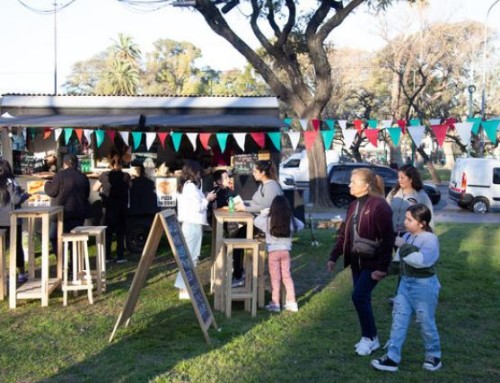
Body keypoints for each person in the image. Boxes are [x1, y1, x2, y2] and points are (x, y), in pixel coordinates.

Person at [327, 168, 395, 356]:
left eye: (353, 181)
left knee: (358, 297)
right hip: (356, 262)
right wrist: (334, 256)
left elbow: (388, 239)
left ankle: (369, 337)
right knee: (362, 298)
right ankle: (371, 338)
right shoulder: (353, 205)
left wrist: (382, 268)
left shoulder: (379, 206)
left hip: (373, 263)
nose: (349, 184)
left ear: (366, 186)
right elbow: (344, 235)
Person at [371, 204, 442, 372]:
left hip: (424, 287)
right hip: (405, 285)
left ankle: (434, 355)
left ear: (422, 223)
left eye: (410, 220)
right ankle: (391, 358)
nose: (405, 222)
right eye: (405, 218)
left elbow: (421, 261)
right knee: (398, 321)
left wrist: (402, 246)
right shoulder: (409, 237)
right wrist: (383, 272)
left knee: (425, 321)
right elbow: (399, 262)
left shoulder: (430, 239)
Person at [386, 165, 434, 301]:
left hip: (410, 236)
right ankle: (404, 294)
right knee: (397, 265)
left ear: (411, 179)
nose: (399, 180)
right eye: (398, 177)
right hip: (393, 235)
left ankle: (401, 296)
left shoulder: (420, 195)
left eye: (402, 177)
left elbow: (428, 217)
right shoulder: (394, 192)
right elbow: (385, 210)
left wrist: (428, 236)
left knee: (406, 266)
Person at [232, 160, 283, 286]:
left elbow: (266, 205)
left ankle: (238, 275)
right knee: (237, 237)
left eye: (255, 171)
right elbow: (257, 203)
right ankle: (239, 272)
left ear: (263, 172)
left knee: (237, 239)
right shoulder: (264, 185)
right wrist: (244, 204)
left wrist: (245, 208)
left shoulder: (271, 186)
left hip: (267, 225)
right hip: (260, 221)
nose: (253, 174)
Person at [254, 195, 304, 313]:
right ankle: (292, 302)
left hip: (273, 252)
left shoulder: (268, 220)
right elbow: (301, 225)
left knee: (275, 278)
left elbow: (256, 222)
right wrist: (291, 216)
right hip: (286, 251)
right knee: (287, 277)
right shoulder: (291, 221)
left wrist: (264, 213)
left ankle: (275, 303)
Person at [175, 160, 216, 299]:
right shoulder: (190, 187)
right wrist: (208, 199)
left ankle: (184, 287)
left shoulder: (188, 186)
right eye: (198, 172)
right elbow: (197, 208)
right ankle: (184, 288)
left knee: (189, 257)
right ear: (193, 172)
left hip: (190, 224)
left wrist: (204, 197)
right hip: (192, 224)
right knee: (191, 257)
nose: (200, 174)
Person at [44, 154, 90, 256]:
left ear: (64, 164)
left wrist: (47, 184)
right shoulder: (83, 177)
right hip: (79, 213)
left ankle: (61, 262)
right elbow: (87, 194)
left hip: (61, 213)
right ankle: (74, 266)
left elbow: (52, 191)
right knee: (76, 241)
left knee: (55, 238)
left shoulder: (60, 175)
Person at [93, 154, 131, 263]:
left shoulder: (104, 175)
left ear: (110, 164)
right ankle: (120, 256)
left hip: (108, 207)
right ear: (122, 164)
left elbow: (95, 188)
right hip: (121, 207)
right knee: (120, 232)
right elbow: (130, 186)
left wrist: (102, 191)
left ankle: (107, 256)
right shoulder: (126, 176)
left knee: (108, 232)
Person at [0, 159, 30, 283]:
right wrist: (25, 195)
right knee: (16, 247)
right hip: (12, 219)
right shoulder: (11, 181)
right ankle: (21, 274)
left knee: (1, 248)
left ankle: (2, 276)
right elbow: (16, 200)